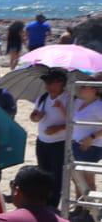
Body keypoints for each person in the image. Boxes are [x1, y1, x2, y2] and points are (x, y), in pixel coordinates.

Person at [32, 69, 70, 206]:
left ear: (60, 83)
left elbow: (74, 122)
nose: (46, 85)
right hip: (42, 141)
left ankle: (53, 204)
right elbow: (33, 116)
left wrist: (58, 128)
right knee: (43, 172)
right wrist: (36, 117)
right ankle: (44, 201)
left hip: (59, 143)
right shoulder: (43, 97)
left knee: (56, 175)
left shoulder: (69, 98)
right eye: (45, 81)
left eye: (49, 81)